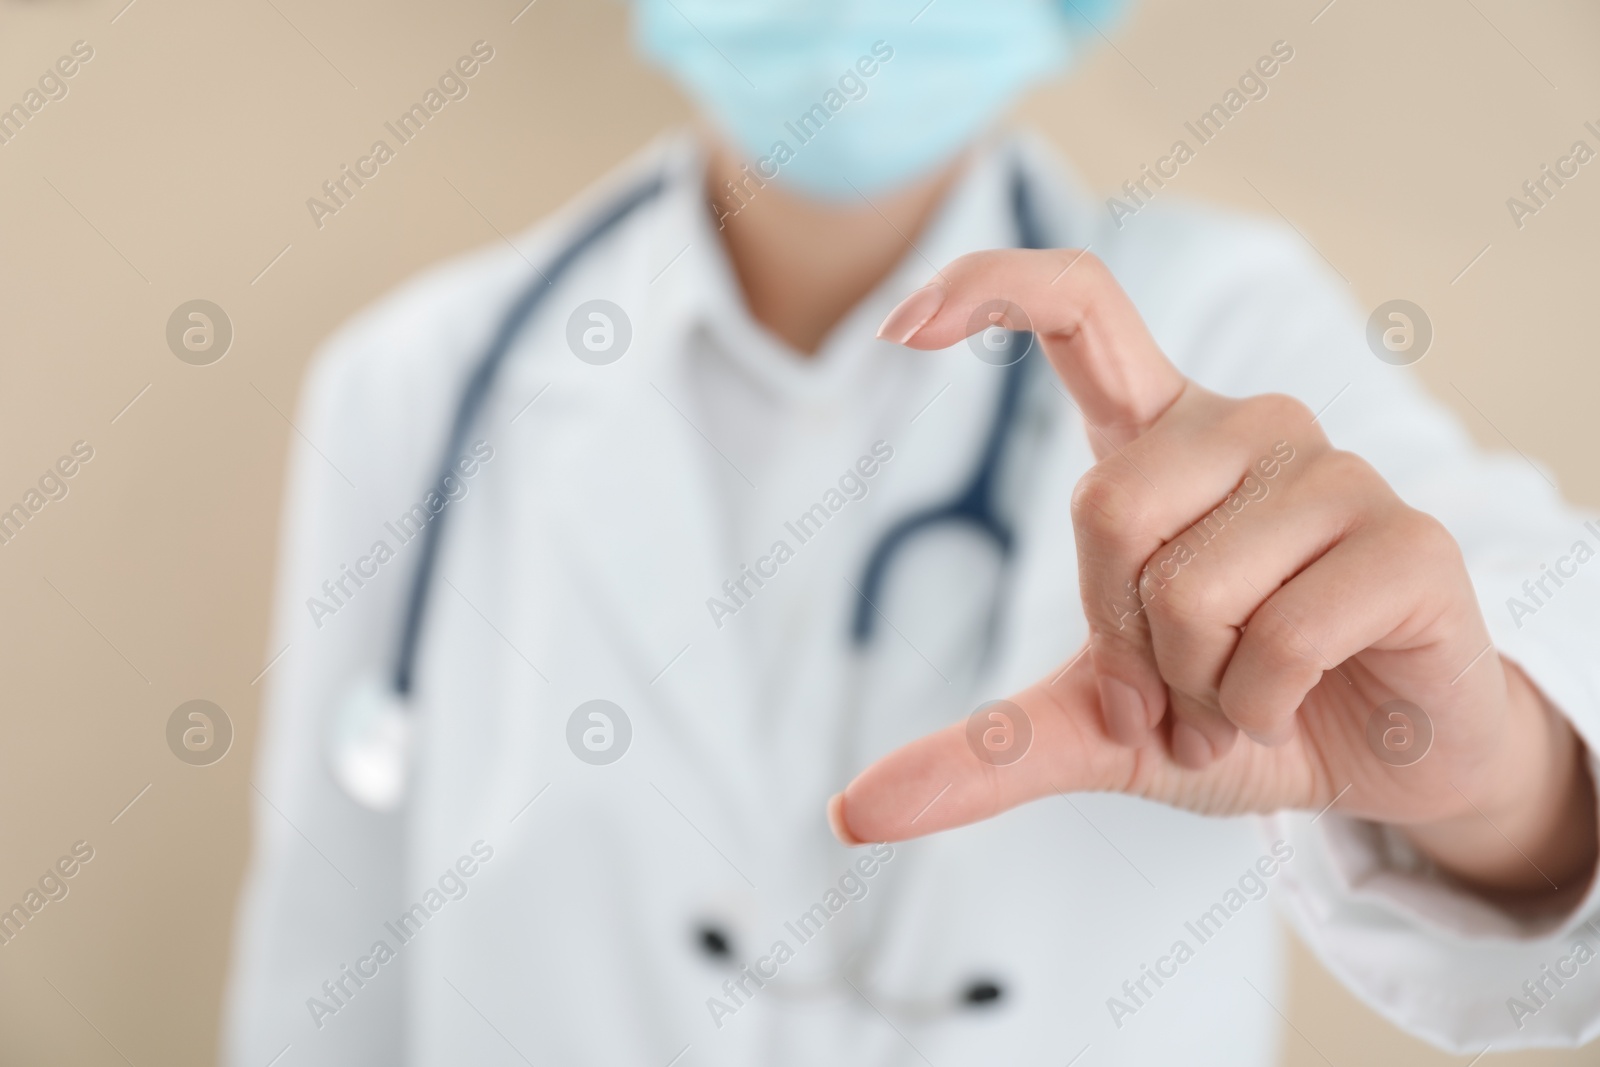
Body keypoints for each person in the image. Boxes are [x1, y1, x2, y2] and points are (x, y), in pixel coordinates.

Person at [225, 1, 1600, 1064]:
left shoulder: (1236, 324)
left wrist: (1491, 776)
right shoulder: (414, 381)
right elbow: (324, 968)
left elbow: (1527, 607)